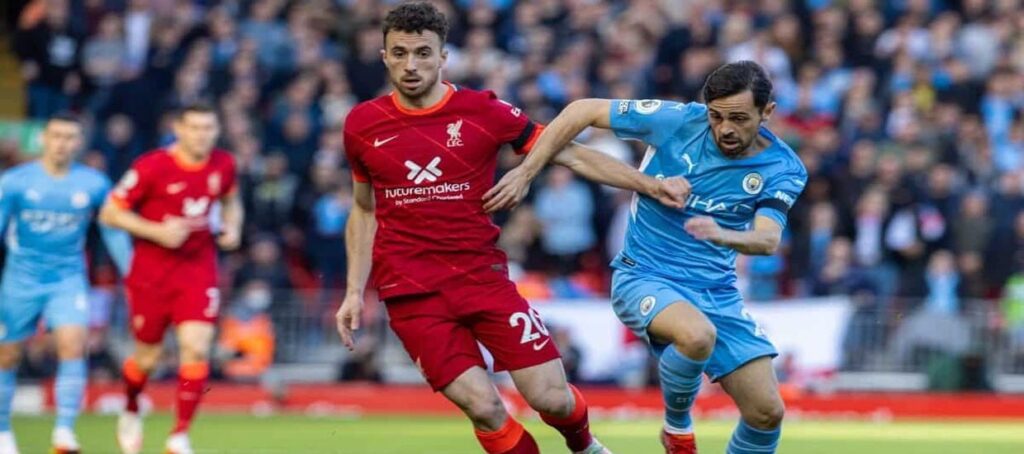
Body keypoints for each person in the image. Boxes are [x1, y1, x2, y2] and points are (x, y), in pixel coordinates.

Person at [335, 3, 688, 454]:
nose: (410, 65)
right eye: (399, 53)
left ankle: (585, 446)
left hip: (482, 280)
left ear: (443, 56)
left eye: (423, 53)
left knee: (552, 398)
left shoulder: (482, 111)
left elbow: (569, 153)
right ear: (384, 56)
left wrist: (651, 185)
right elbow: (363, 209)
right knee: (484, 408)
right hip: (412, 293)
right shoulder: (362, 124)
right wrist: (353, 291)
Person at [486, 61, 808, 454]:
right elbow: (582, 110)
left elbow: (768, 239)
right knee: (696, 335)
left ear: (767, 111)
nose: (724, 128)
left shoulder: (783, 168)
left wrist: (722, 234)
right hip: (644, 275)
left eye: (738, 118)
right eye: (716, 116)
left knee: (767, 412)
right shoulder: (678, 121)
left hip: (717, 291)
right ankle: (677, 428)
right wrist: (525, 173)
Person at [99, 103, 243, 454]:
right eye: (194, 128)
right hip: (151, 273)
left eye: (208, 128)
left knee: (196, 346)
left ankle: (179, 435)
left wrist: (233, 226)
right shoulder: (152, 166)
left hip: (198, 269)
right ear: (178, 129)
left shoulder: (224, 163)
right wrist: (156, 231)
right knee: (147, 358)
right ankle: (131, 406)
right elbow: (110, 212)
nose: (202, 135)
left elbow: (231, 200)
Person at [0, 113, 132, 454]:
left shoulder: (93, 183)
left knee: (73, 344)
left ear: (79, 142)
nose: (62, 143)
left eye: (69, 137)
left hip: (67, 278)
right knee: (7, 355)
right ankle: (2, 432)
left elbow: (112, 230)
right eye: (56, 136)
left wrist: (132, 272)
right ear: (44, 139)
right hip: (20, 279)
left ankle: (64, 433)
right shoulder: (14, 182)